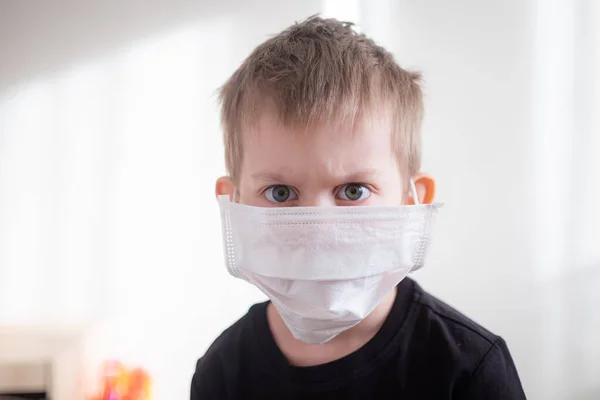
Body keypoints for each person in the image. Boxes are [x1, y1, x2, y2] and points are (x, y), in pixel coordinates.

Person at [190, 15, 526, 400]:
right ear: (232, 201)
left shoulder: (470, 370)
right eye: (280, 192)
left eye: (353, 191)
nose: (317, 229)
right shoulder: (221, 372)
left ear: (412, 200)